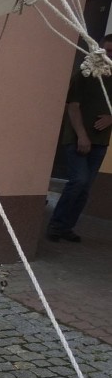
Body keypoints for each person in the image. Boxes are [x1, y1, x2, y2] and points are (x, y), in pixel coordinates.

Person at [46, 34, 112, 242]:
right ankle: (56, 225)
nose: (110, 56)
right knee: (78, 180)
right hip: (77, 138)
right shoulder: (84, 74)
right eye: (107, 51)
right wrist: (82, 136)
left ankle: (66, 227)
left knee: (85, 188)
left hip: (100, 141)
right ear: (98, 50)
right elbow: (73, 107)